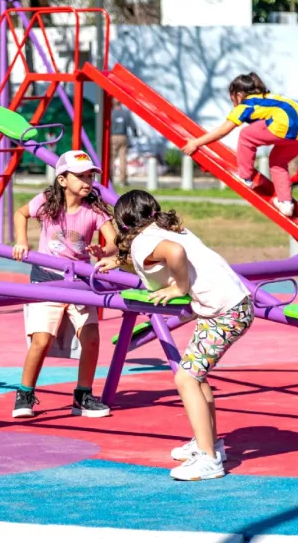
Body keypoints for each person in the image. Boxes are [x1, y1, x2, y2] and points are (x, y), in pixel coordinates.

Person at [97, 190, 254, 481]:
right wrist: (119, 262)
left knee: (186, 378)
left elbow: (173, 254)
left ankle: (209, 459)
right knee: (197, 375)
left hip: (224, 310)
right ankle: (210, 444)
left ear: (124, 224)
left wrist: (179, 288)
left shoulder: (148, 241)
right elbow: (161, 255)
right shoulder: (171, 229)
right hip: (233, 304)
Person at [11, 150, 118, 419]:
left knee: (91, 338)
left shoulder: (94, 210)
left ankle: (83, 395)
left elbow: (113, 241)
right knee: (42, 339)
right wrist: (22, 241)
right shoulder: (46, 202)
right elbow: (20, 214)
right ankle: (25, 392)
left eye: (90, 176)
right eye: (80, 176)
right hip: (47, 277)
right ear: (62, 180)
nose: (87, 182)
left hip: (80, 281)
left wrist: (103, 251)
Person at [183, 73, 298, 218]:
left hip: (287, 122)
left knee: (246, 135)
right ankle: (285, 204)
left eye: (232, 99)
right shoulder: (267, 98)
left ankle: (245, 178)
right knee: (277, 161)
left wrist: (195, 143)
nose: (233, 104)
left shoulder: (247, 104)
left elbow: (222, 131)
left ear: (238, 95)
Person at [110, 99, 137, 187]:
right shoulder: (125, 113)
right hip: (123, 136)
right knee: (123, 160)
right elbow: (132, 125)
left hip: (113, 136)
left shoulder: (111, 113)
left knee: (111, 159)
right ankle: (122, 180)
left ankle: (110, 178)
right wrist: (135, 133)